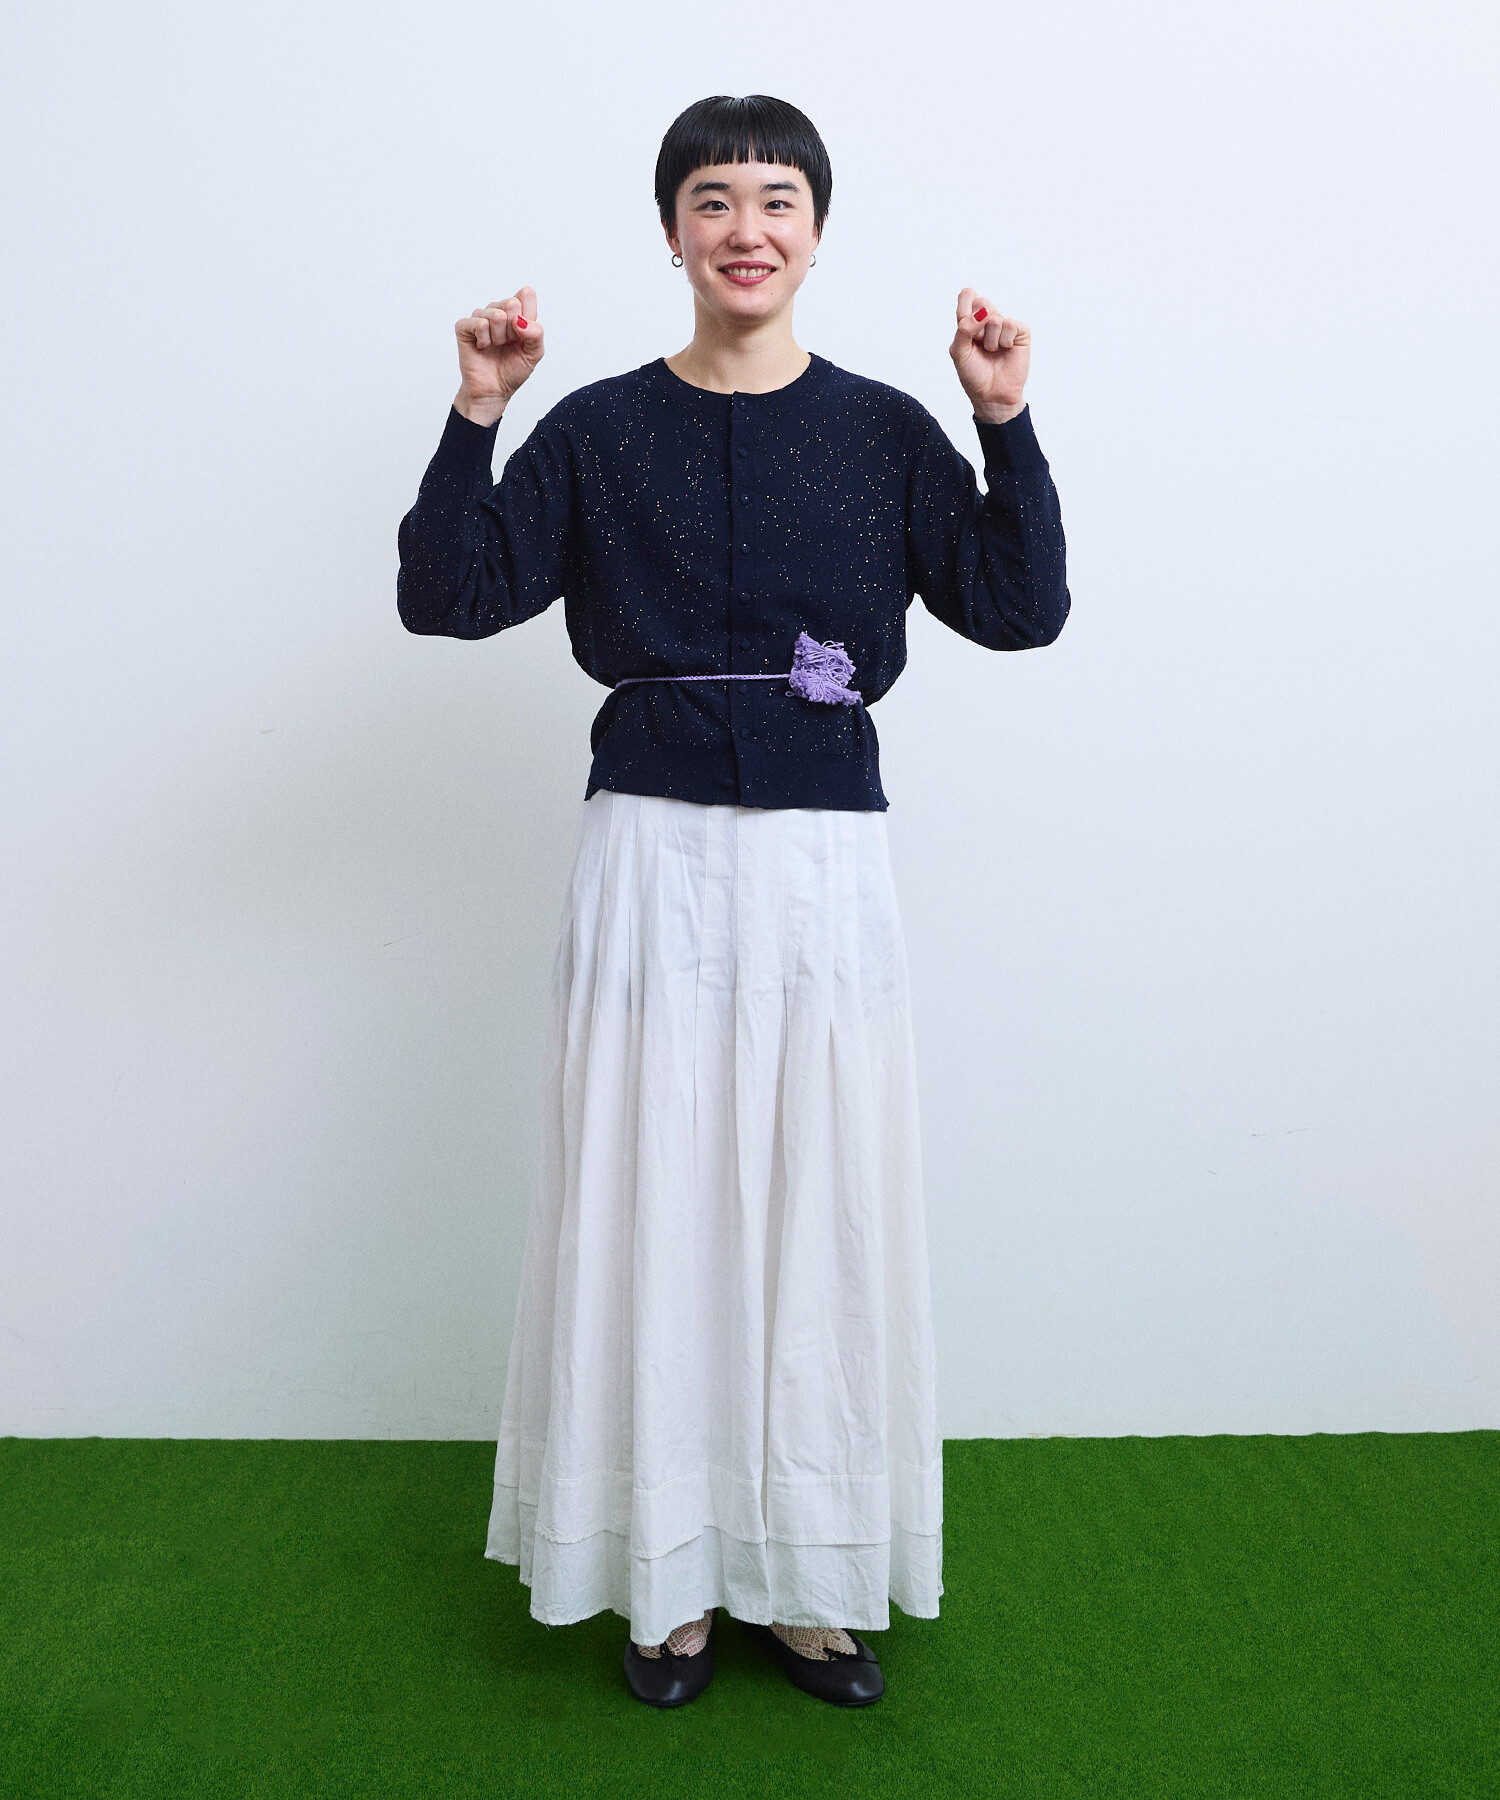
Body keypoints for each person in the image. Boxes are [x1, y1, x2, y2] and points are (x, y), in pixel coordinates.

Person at [396, 93, 1070, 1709]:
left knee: (820, 1196)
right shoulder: (599, 428)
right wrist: (478, 411)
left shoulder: (889, 429)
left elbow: (1020, 605)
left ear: (817, 233)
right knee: (656, 1191)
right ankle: (670, 1577)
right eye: (713, 199)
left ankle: (809, 1577)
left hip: (824, 863)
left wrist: (1004, 424)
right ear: (672, 232)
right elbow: (448, 595)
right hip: (651, 855)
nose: (745, 228)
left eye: (777, 199)